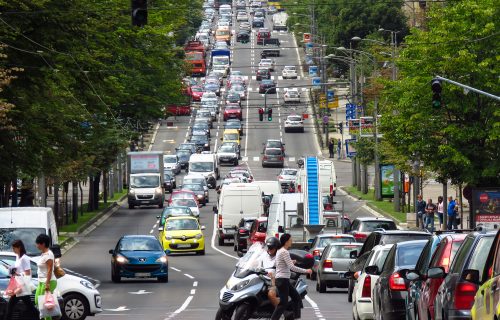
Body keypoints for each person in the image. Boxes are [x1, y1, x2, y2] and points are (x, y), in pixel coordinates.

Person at [271, 234, 312, 320]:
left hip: (283, 279)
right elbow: (292, 268)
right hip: (282, 280)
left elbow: (277, 263)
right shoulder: (284, 252)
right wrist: (306, 271)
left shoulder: (280, 251)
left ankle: (294, 317)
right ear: (286, 242)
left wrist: (290, 261)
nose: (291, 241)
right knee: (283, 303)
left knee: (296, 298)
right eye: (290, 240)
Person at [5, 240, 38, 319]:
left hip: (22, 287)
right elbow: (19, 270)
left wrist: (17, 274)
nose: (13, 250)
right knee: (30, 307)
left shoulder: (24, 258)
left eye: (14, 248)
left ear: (19, 247)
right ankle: (39, 317)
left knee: (10, 307)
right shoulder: (18, 257)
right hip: (19, 286)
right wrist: (12, 271)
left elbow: (28, 273)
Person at [35, 234, 57, 320]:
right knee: (38, 300)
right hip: (42, 281)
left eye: (37, 243)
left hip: (48, 281)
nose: (36, 245)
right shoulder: (44, 254)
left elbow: (49, 270)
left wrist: (47, 283)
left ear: (43, 244)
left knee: (45, 305)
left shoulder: (48, 255)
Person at [260, 237, 280, 307]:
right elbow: (255, 263)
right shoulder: (264, 255)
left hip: (275, 282)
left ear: (276, 248)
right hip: (262, 280)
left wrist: (273, 275)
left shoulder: (279, 258)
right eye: (268, 247)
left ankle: (281, 312)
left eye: (272, 248)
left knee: (271, 294)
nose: (269, 250)